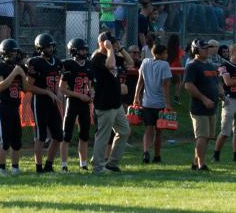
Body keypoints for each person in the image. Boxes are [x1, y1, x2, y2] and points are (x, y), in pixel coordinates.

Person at [88, 32, 129, 173]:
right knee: (103, 136)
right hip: (104, 103)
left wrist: (120, 48)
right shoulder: (97, 58)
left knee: (124, 131)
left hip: (116, 103)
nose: (113, 44)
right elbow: (111, 65)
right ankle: (98, 167)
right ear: (103, 43)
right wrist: (110, 49)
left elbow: (129, 62)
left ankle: (112, 163)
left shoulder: (113, 55)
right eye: (110, 42)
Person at [25, 33, 63, 173]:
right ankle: (38, 166)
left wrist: (57, 93)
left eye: (52, 46)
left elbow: (58, 82)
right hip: (40, 101)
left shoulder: (57, 62)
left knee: (58, 135)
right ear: (40, 48)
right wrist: (47, 92)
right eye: (48, 47)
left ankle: (49, 165)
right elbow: (29, 87)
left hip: (52, 102)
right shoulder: (35, 62)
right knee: (40, 136)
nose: (51, 49)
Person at [183, 39, 219, 171]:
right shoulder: (192, 65)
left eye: (208, 48)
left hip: (212, 107)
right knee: (202, 136)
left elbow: (215, 83)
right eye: (204, 48)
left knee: (207, 137)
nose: (207, 50)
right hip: (200, 108)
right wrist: (204, 99)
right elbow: (188, 85)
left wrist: (221, 95)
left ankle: (195, 162)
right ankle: (201, 164)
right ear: (195, 50)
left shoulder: (210, 66)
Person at [0, 38, 25, 176]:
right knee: (4, 140)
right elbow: (0, 86)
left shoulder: (18, 68)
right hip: (2, 106)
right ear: (4, 54)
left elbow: (27, 88)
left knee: (16, 140)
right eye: (12, 53)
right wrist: (15, 73)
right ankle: (1, 168)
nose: (15, 56)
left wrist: (22, 75)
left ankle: (15, 167)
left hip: (15, 107)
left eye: (15, 53)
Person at [133, 42, 172, 165]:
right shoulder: (165, 65)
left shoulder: (145, 62)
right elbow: (165, 86)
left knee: (148, 129)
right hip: (160, 104)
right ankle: (157, 155)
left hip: (146, 102)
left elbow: (140, 82)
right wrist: (167, 103)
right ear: (160, 54)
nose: (167, 55)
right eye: (165, 53)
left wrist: (136, 97)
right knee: (158, 131)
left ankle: (145, 151)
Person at [60, 38, 92, 171]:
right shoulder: (68, 65)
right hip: (72, 102)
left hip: (85, 103)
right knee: (66, 134)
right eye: (82, 49)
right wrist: (80, 95)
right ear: (74, 51)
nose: (84, 51)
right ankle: (64, 165)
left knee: (84, 135)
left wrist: (92, 93)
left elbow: (90, 85)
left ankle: (83, 163)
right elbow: (62, 88)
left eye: (85, 49)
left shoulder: (89, 64)